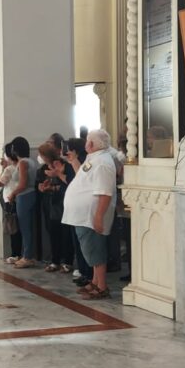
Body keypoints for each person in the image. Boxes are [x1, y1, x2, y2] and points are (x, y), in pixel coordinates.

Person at [62, 128, 118, 299]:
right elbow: (83, 178)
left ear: (91, 144)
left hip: (91, 215)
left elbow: (105, 192)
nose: (86, 142)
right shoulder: (94, 158)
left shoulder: (102, 162)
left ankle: (101, 286)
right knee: (89, 249)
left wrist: (99, 216)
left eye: (87, 140)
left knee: (94, 249)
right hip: (84, 215)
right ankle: (94, 281)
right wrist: (73, 161)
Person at [37, 140, 74, 273]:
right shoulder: (42, 169)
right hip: (50, 204)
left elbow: (68, 184)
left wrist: (54, 186)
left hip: (63, 203)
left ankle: (68, 261)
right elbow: (40, 182)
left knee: (66, 233)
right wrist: (42, 187)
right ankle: (55, 260)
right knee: (53, 233)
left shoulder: (63, 165)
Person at [64, 137, 93, 286]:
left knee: (85, 244)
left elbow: (82, 179)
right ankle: (83, 271)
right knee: (78, 243)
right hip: (75, 209)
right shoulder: (76, 161)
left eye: (69, 149)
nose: (66, 152)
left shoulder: (87, 161)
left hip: (84, 208)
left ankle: (88, 273)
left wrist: (74, 162)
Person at [4, 136, 37, 267]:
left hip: (24, 196)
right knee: (27, 227)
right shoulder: (30, 161)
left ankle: (27, 256)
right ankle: (27, 254)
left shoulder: (23, 163)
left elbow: (22, 184)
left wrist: (13, 193)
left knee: (25, 227)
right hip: (30, 195)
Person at [0, 144, 21, 262]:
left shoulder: (10, 169)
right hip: (16, 199)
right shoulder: (17, 166)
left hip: (10, 200)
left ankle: (15, 254)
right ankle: (18, 253)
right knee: (16, 228)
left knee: (13, 229)